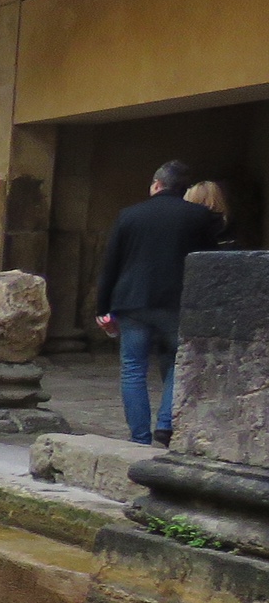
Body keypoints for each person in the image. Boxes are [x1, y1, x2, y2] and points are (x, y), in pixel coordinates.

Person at [95, 159, 222, 446]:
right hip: (176, 302)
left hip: (131, 301)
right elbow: (210, 263)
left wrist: (102, 308)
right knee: (180, 361)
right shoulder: (199, 217)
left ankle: (138, 437)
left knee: (133, 367)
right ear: (183, 188)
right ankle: (165, 422)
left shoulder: (129, 215)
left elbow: (111, 264)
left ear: (156, 184)